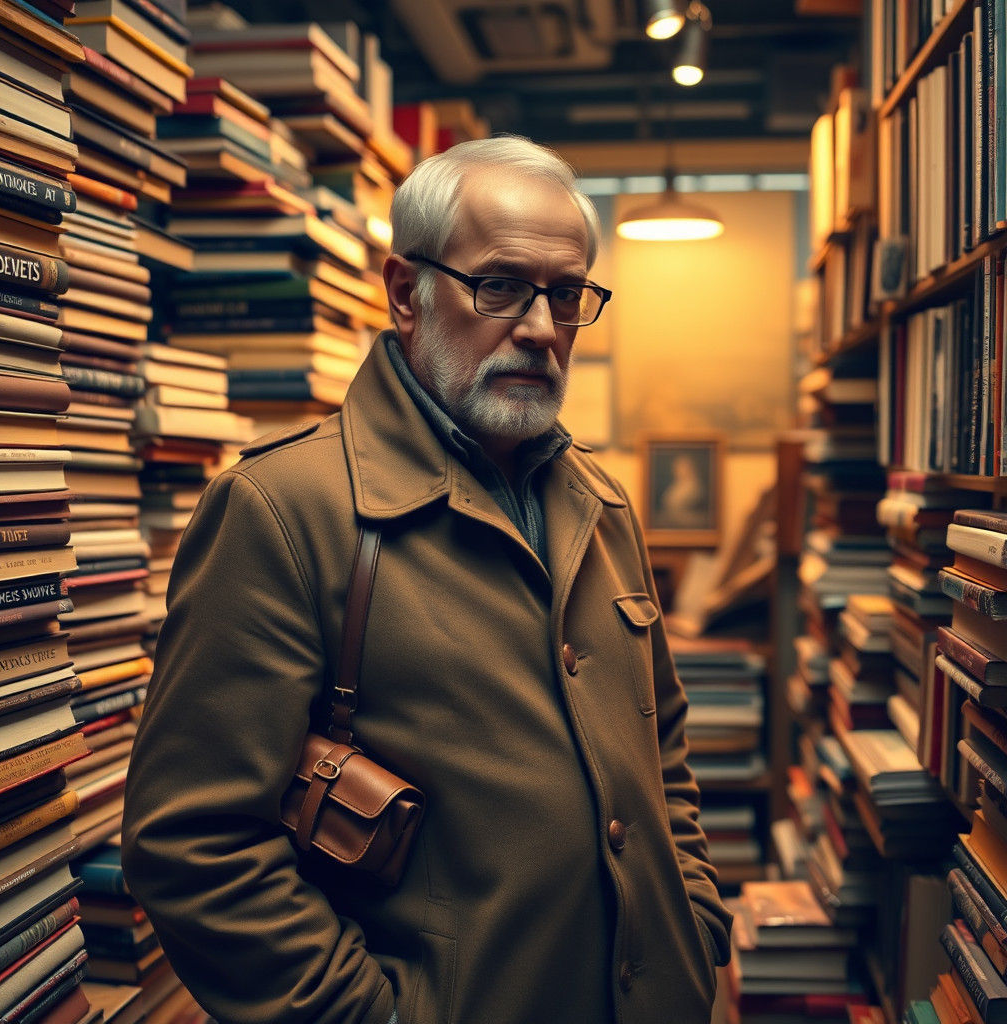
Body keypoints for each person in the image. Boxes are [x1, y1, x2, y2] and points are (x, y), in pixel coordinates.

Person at [121, 135, 732, 1024]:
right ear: (406, 293)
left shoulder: (601, 502)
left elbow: (660, 744)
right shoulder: (283, 511)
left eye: (566, 296)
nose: (536, 327)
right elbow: (194, 846)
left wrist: (696, 920)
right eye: (499, 287)